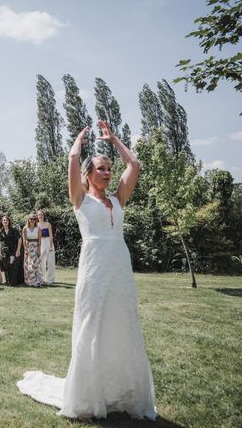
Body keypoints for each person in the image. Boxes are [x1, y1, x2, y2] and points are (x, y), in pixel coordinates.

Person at [17, 121, 156, 420]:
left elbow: (134, 163)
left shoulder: (118, 199)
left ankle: (122, 393)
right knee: (91, 324)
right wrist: (79, 142)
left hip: (119, 265)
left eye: (109, 169)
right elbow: (72, 161)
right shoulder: (79, 200)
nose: (107, 173)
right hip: (93, 267)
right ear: (89, 175)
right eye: (101, 169)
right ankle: (86, 397)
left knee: (123, 323)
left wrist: (114, 139)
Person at [0, 215, 23, 286]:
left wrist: (18, 250)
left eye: (7, 220)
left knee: (13, 265)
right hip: (5, 252)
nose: (5, 221)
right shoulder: (1, 231)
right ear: (2, 222)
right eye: (4, 220)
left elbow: (20, 239)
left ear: (9, 222)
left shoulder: (13, 230)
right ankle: (8, 281)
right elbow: (0, 242)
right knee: (6, 266)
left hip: (13, 250)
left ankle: (13, 282)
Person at [22, 214, 42, 287]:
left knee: (36, 264)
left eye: (34, 219)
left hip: (36, 247)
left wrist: (39, 249)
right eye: (31, 219)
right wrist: (25, 249)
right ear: (28, 220)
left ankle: (37, 281)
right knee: (29, 265)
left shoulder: (38, 229)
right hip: (28, 248)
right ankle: (30, 281)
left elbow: (40, 240)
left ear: (36, 220)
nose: (32, 220)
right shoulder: (25, 228)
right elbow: (24, 240)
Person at [37, 210, 56, 285]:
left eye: (41, 214)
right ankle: (42, 278)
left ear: (43, 216)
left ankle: (50, 279)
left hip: (48, 242)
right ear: (37, 216)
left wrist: (51, 246)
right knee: (41, 261)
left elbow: (51, 236)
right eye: (39, 215)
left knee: (50, 261)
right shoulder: (36, 225)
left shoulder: (48, 224)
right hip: (40, 243)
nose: (40, 216)